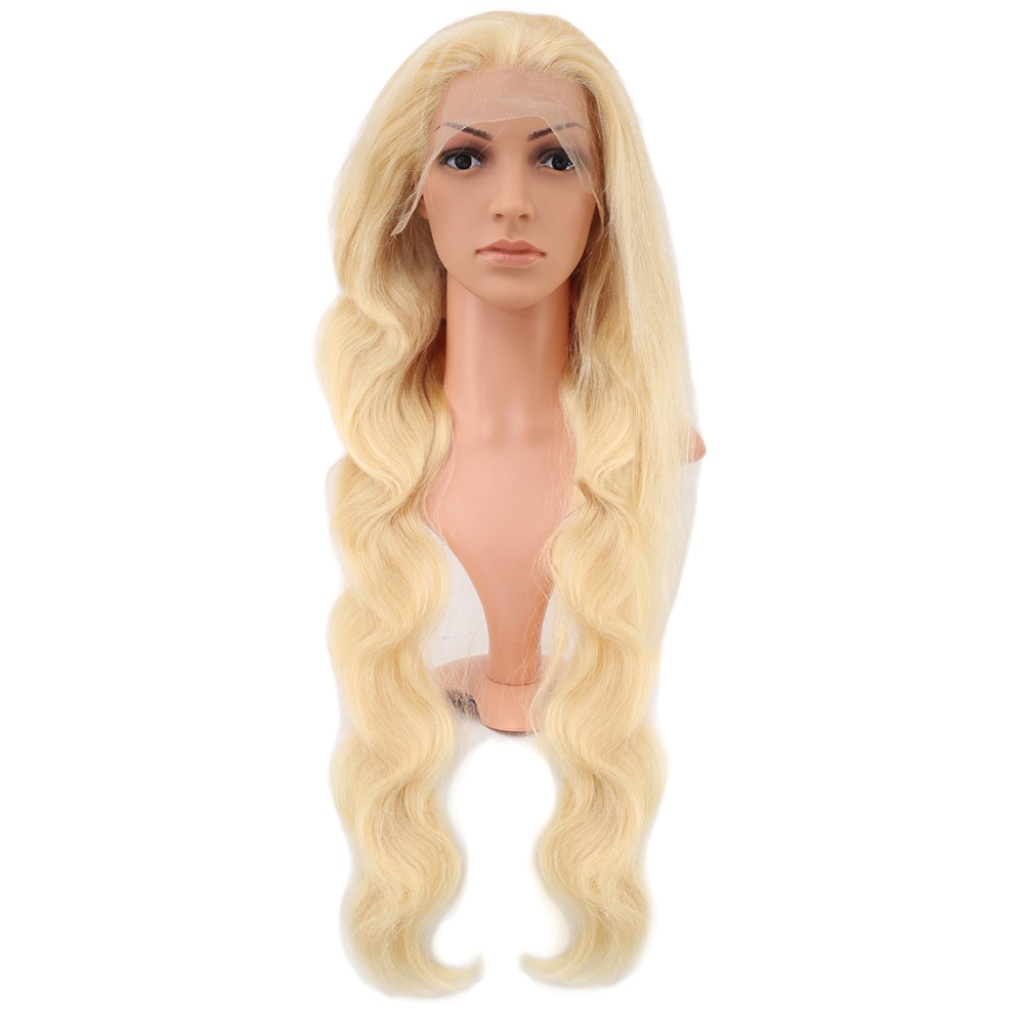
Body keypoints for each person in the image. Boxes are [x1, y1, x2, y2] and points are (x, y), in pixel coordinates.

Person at [316, 11, 703, 993]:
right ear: (411, 194)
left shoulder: (665, 468)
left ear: (604, 200)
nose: (512, 203)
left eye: (556, 160)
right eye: (465, 158)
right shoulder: (363, 481)